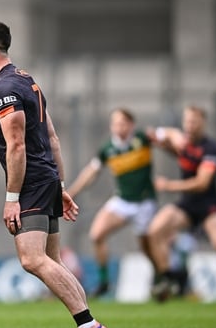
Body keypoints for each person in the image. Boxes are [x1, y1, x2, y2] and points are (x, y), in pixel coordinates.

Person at [0, 20, 108, 328]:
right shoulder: (27, 81)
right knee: (52, 260)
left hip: (30, 182)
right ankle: (90, 326)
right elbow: (52, 138)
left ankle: (89, 326)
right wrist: (59, 186)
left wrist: (12, 198)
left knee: (31, 259)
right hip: (45, 179)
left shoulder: (5, 89)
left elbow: (16, 145)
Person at [146, 105, 216, 305]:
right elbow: (169, 136)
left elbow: (202, 183)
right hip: (187, 206)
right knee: (154, 231)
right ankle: (169, 279)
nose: (190, 125)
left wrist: (168, 185)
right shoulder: (183, 142)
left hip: (209, 207)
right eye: (187, 121)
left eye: (194, 121)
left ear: (203, 123)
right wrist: (158, 136)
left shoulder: (210, 148)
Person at [66, 108, 157, 297]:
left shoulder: (143, 139)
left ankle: (160, 275)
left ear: (131, 124)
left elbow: (167, 138)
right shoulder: (108, 148)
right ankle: (104, 281)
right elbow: (90, 172)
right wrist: (72, 193)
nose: (118, 128)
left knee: (146, 246)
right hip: (123, 200)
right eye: (115, 124)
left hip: (144, 202)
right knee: (96, 234)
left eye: (122, 123)